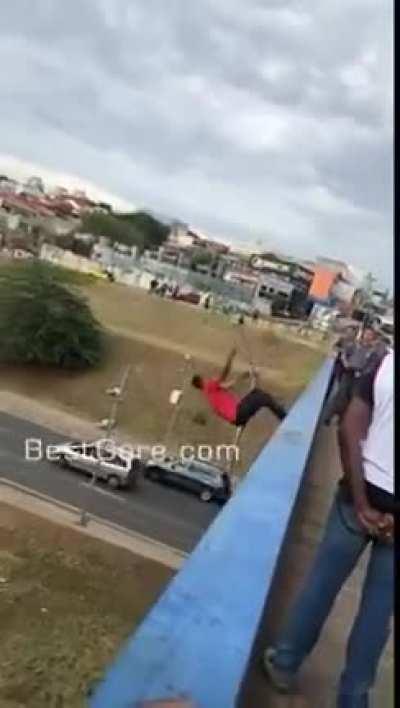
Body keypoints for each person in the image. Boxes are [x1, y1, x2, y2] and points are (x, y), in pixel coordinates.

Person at [263, 349, 394, 707]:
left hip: (359, 498)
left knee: (321, 584)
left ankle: (286, 662)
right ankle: (353, 698)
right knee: (378, 614)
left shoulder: (384, 366)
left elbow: (349, 428)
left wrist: (363, 502)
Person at [191, 348, 286, 428]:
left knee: (256, 393)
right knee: (261, 397)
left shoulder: (209, 393)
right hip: (238, 413)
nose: (205, 378)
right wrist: (230, 358)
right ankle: (284, 417)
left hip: (237, 419)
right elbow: (223, 374)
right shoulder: (208, 386)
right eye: (203, 378)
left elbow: (229, 385)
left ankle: (277, 405)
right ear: (200, 381)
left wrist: (243, 376)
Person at [324, 327, 379, 425]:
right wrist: (345, 363)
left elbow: (371, 366)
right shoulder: (355, 345)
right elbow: (344, 354)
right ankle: (329, 416)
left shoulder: (372, 352)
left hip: (359, 378)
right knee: (340, 395)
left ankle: (342, 420)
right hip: (348, 373)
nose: (368, 336)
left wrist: (363, 373)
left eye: (370, 335)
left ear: (373, 337)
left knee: (350, 399)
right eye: (366, 334)